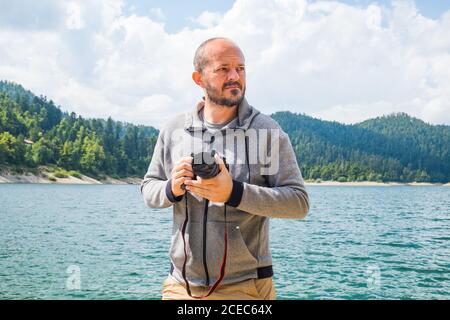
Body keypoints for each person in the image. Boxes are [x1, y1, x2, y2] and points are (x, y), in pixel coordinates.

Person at [140, 37, 309, 300]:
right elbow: (149, 189)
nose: (235, 76)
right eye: (223, 69)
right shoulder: (174, 129)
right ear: (199, 78)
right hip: (180, 286)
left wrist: (234, 192)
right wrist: (171, 188)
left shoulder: (267, 132)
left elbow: (298, 204)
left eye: (240, 68)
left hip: (246, 287)